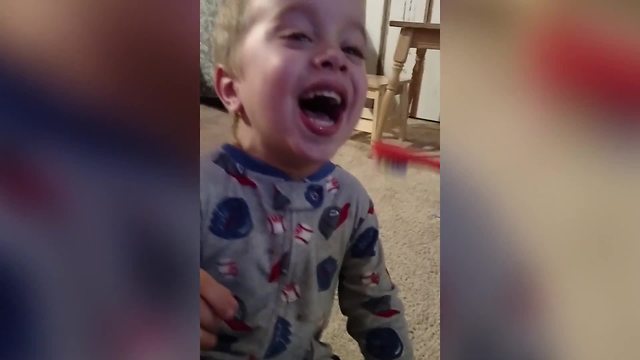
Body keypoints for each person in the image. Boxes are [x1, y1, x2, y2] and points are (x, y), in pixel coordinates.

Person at [199, 0, 414, 359]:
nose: (334, 57)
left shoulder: (351, 201)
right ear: (232, 88)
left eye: (351, 48)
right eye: (298, 35)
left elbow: (376, 305)